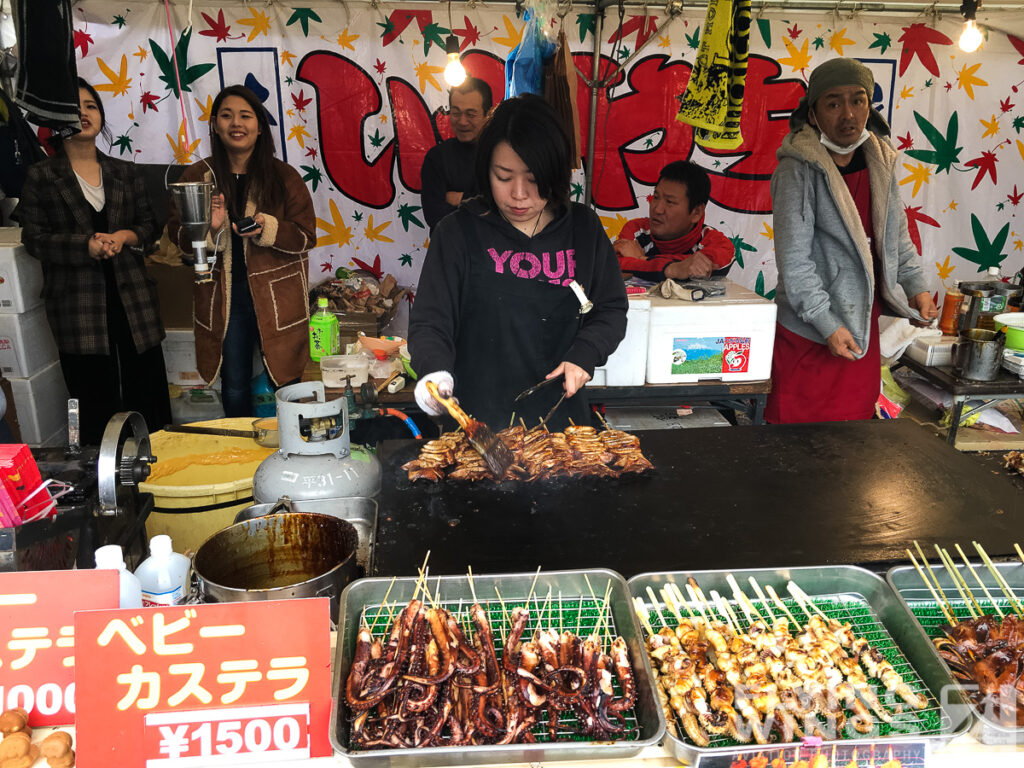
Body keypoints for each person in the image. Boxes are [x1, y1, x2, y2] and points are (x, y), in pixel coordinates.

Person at [409, 94, 628, 430]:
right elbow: (430, 320)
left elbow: (610, 308)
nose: (519, 194)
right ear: (485, 170)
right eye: (504, 176)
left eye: (534, 178)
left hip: (563, 423)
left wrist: (585, 353)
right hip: (477, 425)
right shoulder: (457, 232)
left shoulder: (583, 229)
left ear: (555, 173)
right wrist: (434, 370)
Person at [767, 57, 938, 423]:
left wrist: (917, 288)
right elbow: (795, 265)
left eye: (858, 100)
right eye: (833, 103)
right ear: (813, 115)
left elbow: (896, 239)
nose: (848, 114)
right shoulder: (796, 169)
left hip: (860, 328)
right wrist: (827, 324)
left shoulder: (880, 160)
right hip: (808, 335)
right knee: (795, 447)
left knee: (855, 443)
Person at [15, 79, 170, 444]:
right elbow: (34, 239)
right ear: (55, 119)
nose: (83, 114)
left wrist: (124, 238)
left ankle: (159, 468)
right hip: (77, 303)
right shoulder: (42, 175)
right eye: (73, 107)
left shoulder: (125, 171)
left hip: (133, 299)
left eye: (91, 106)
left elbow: (149, 226)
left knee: (146, 387)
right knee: (92, 395)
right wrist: (85, 246)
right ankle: (104, 479)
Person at [166, 85, 316, 417]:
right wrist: (209, 230)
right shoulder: (197, 176)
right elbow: (175, 233)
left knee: (287, 383)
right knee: (234, 384)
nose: (237, 123)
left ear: (260, 126)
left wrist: (269, 229)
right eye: (227, 115)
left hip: (278, 299)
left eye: (246, 116)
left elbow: (306, 236)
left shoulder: (284, 177)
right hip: (224, 297)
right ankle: (239, 457)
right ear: (215, 126)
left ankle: (291, 450)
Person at [614, 160, 735, 282]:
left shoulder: (716, 242)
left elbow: (703, 267)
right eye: (656, 197)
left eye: (670, 202)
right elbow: (615, 264)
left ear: (696, 212)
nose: (657, 209)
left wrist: (641, 259)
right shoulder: (636, 229)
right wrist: (676, 268)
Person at [420, 77, 493, 231]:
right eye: (456, 113)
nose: (462, 121)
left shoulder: (499, 156)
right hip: (447, 250)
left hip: (492, 252)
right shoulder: (436, 158)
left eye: (471, 114)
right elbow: (434, 216)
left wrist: (460, 198)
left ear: (488, 114)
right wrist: (478, 201)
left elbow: (500, 212)